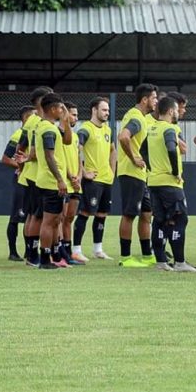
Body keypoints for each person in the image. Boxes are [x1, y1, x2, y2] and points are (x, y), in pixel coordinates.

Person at [140, 96, 196, 272]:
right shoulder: (169, 129)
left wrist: (151, 167)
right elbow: (172, 148)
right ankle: (180, 262)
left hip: (154, 181)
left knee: (159, 220)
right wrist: (175, 172)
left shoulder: (151, 129)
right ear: (171, 111)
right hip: (170, 183)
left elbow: (142, 150)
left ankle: (161, 262)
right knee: (179, 218)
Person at [117, 84, 158, 267]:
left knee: (146, 213)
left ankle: (147, 255)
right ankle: (125, 258)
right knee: (129, 214)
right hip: (131, 173)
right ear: (145, 100)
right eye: (154, 98)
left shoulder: (140, 117)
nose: (156, 101)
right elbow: (123, 136)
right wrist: (133, 157)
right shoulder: (136, 118)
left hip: (140, 174)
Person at [72, 97, 116, 263]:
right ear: (94, 110)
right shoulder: (85, 129)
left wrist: (113, 171)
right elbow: (77, 149)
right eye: (104, 110)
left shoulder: (107, 130)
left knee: (102, 214)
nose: (107, 113)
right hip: (93, 180)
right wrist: (83, 171)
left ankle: (98, 249)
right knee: (85, 212)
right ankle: (76, 250)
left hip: (106, 179)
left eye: (108, 110)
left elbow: (113, 151)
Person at [34, 93, 72, 269]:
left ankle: (51, 257)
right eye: (60, 108)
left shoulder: (47, 126)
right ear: (52, 109)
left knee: (55, 219)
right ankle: (44, 260)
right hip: (51, 182)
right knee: (49, 221)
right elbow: (49, 156)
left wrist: (65, 121)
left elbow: (67, 140)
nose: (62, 111)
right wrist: (59, 179)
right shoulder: (48, 129)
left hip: (47, 180)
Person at [16, 86, 53, 267]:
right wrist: (28, 159)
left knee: (32, 215)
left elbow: (20, 147)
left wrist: (21, 165)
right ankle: (33, 255)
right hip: (38, 175)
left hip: (29, 175)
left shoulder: (30, 121)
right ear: (42, 101)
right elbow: (34, 151)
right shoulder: (40, 122)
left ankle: (30, 254)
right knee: (37, 216)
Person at [1, 105, 35, 261]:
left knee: (31, 216)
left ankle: (30, 251)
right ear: (27, 118)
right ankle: (13, 252)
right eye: (35, 116)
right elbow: (6, 158)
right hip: (21, 180)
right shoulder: (19, 135)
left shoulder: (36, 134)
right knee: (16, 216)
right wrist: (21, 166)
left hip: (34, 179)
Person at [60, 101, 84, 265]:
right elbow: (59, 159)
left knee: (69, 219)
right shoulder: (57, 133)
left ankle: (68, 253)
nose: (76, 117)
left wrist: (79, 177)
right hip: (66, 182)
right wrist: (70, 176)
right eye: (73, 114)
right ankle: (60, 253)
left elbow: (78, 159)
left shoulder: (74, 136)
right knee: (60, 219)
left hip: (76, 183)